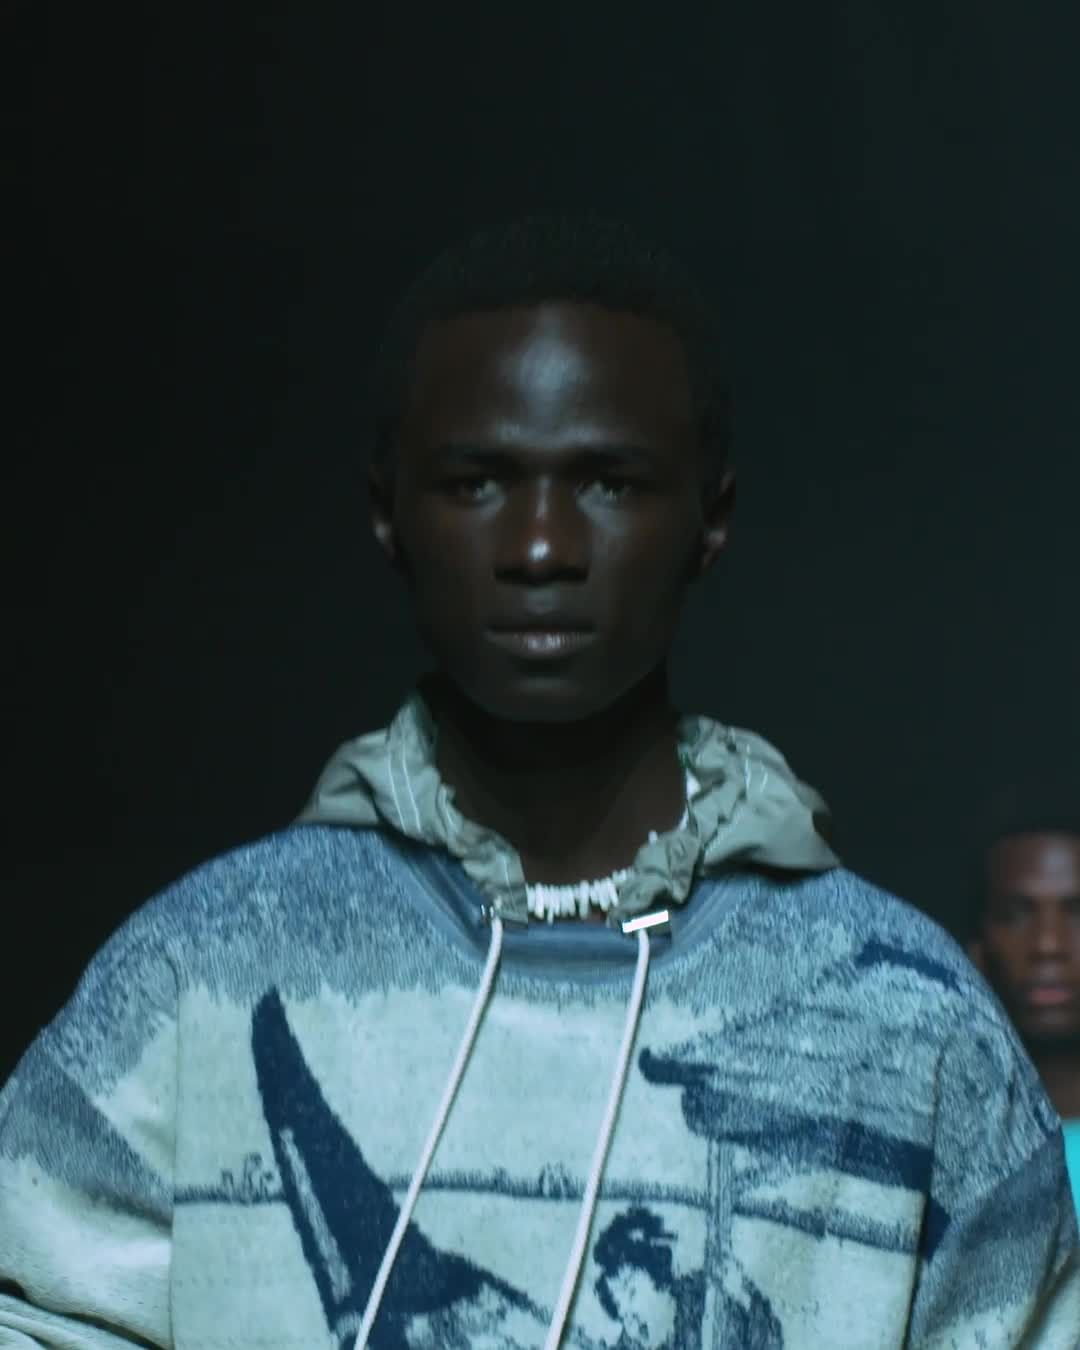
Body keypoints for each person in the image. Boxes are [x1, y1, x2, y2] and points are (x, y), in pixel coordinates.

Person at [1, 215, 1077, 1349]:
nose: (542, 547)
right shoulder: (203, 975)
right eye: (477, 483)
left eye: (609, 482)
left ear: (710, 519)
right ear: (388, 515)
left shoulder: (906, 1024)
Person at [968, 808, 1080, 1217]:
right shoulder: (938, 1149)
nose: (1048, 945)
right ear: (976, 949)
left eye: (1078, 913)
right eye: (1016, 915)